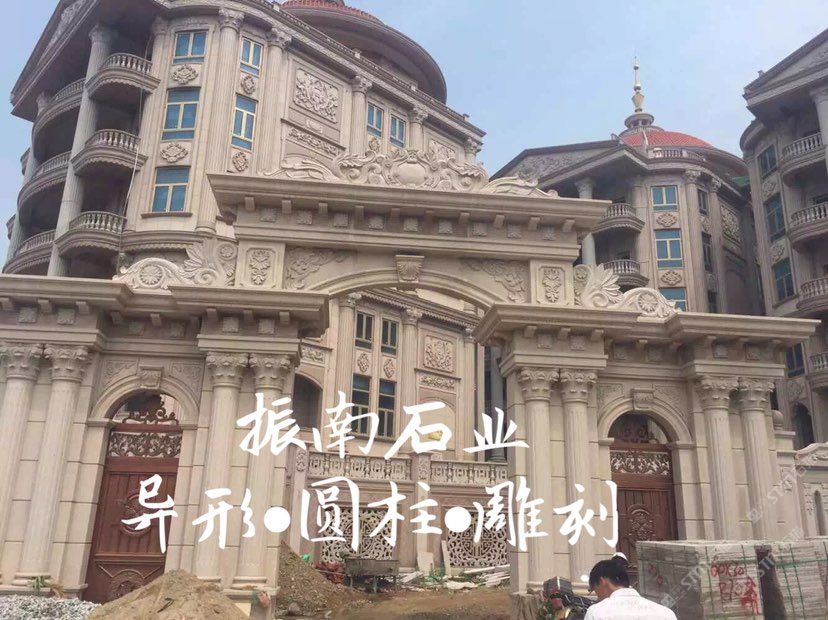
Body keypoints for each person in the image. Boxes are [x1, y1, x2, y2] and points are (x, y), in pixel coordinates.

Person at [585, 557, 677, 619]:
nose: (598, 596)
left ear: (602, 582)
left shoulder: (597, 612)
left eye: (595, 589)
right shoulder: (666, 614)